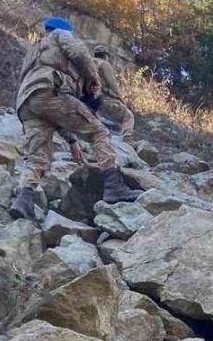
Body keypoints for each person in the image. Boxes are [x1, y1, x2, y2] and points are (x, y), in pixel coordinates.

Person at [9, 17, 140, 222]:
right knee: (99, 132)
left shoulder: (33, 50)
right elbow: (79, 53)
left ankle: (24, 199)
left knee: (38, 155)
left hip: (27, 103)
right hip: (51, 90)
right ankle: (114, 185)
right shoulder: (61, 34)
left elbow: (53, 114)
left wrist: (71, 140)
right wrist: (93, 80)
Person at [92, 43, 136, 138]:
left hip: (88, 99)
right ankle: (127, 137)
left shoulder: (89, 63)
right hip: (103, 100)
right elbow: (113, 85)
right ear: (105, 55)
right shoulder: (104, 64)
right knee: (128, 116)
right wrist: (122, 100)